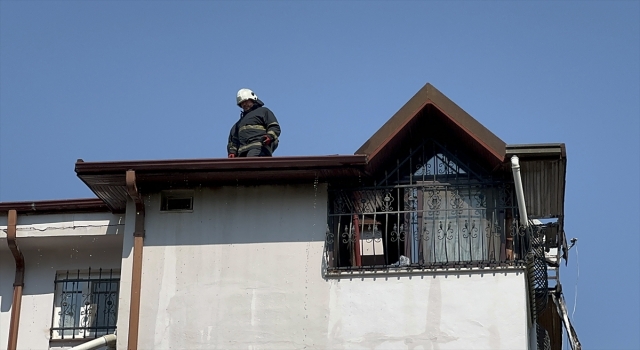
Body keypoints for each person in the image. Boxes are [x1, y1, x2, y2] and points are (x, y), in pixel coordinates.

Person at [227, 88, 281, 158]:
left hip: (259, 147)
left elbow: (274, 126)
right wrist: (232, 152)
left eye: (246, 101)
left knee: (251, 163)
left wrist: (269, 136)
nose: (244, 104)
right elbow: (233, 140)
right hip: (242, 153)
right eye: (242, 103)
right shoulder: (238, 124)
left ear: (252, 99)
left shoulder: (263, 111)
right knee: (243, 167)